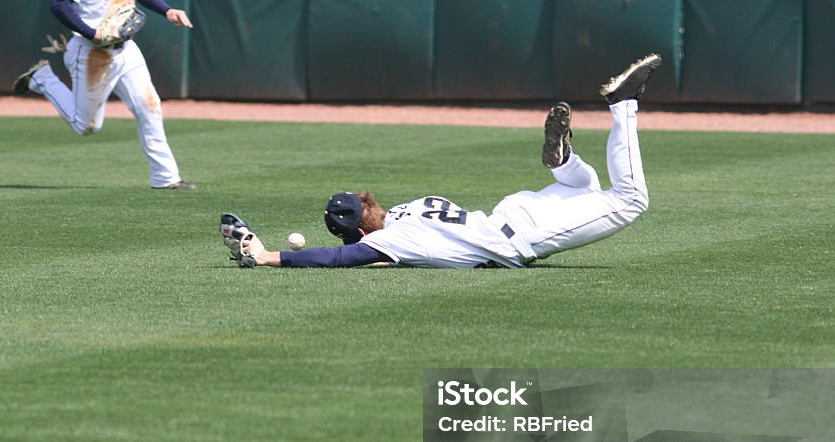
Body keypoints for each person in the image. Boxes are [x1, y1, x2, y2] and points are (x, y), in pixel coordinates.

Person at [220, 53, 662, 268]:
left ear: (359, 230)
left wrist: (267, 255)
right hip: (511, 210)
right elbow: (367, 253)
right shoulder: (409, 208)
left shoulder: (395, 239)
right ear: (371, 205)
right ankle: (563, 163)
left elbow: (338, 258)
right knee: (582, 186)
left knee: (630, 199)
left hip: (523, 235)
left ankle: (623, 105)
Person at [12, 0, 196, 190]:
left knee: (149, 108)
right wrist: (91, 33)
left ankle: (165, 178)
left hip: (126, 50)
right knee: (86, 126)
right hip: (91, 53)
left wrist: (166, 10)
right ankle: (42, 79)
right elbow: (59, 5)